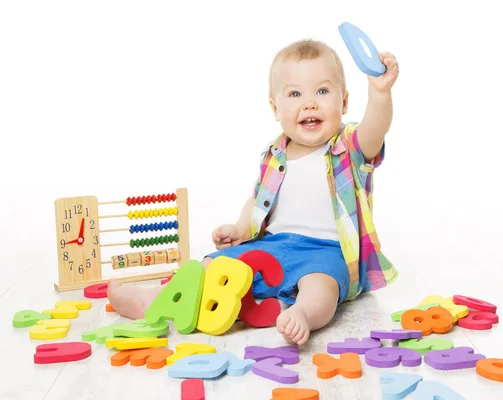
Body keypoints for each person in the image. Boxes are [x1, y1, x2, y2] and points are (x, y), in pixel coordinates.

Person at [108, 38, 399, 345]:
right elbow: (259, 203)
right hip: (272, 245)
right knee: (214, 265)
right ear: (275, 107)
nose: (310, 103)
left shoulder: (349, 147)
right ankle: (157, 298)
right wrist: (239, 227)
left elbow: (375, 129)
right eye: (295, 93)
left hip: (326, 251)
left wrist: (380, 93)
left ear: (343, 103)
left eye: (323, 91)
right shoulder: (275, 155)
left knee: (322, 287)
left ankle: (303, 313)